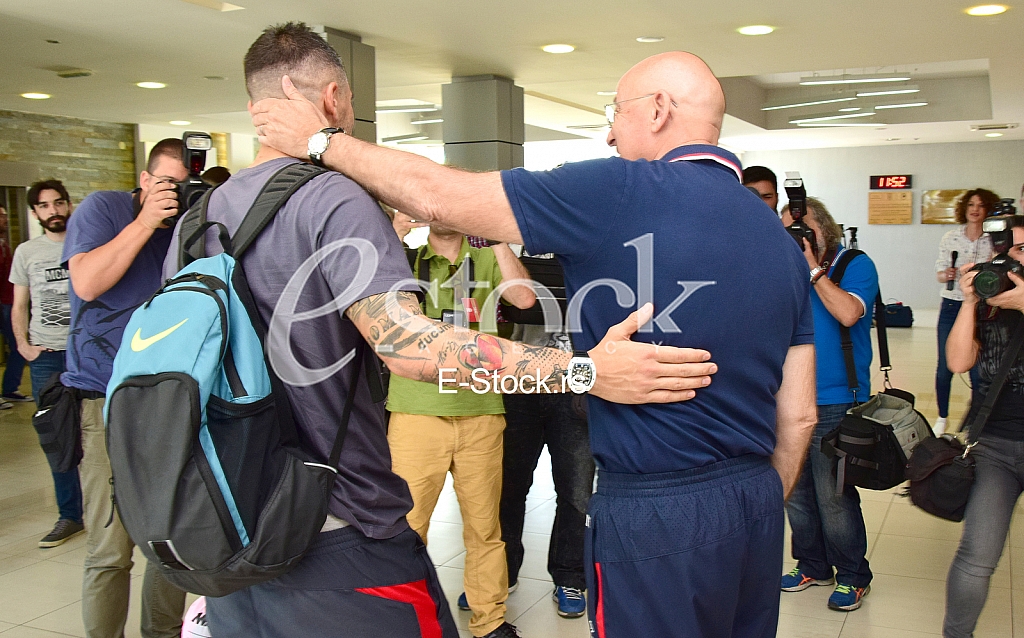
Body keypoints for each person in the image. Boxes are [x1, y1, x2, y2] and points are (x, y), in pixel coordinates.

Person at [253, 48, 818, 638]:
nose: (607, 134)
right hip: (754, 501)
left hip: (657, 507)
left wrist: (322, 142)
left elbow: (439, 198)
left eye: (615, 111)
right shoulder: (778, 239)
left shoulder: (621, 188)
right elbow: (800, 415)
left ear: (658, 110)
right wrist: (746, 506)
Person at [63, 140, 189, 638]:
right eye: (166, 184)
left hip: (167, 402)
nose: (175, 194)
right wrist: (145, 222)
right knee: (111, 549)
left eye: (183, 186)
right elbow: (88, 284)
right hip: (104, 398)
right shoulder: (105, 209)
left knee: (169, 542)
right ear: (143, 179)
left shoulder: (186, 228)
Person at [386, 223, 535, 638]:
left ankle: (490, 622)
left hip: (481, 411)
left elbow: (523, 298)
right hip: (416, 412)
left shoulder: (487, 256)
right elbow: (374, 295)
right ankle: (404, 620)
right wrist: (392, 230)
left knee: (486, 529)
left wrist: (495, 235)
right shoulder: (408, 257)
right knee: (407, 528)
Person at [778, 197, 878, 612]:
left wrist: (813, 269)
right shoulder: (781, 269)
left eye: (804, 229)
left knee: (834, 497)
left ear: (826, 230)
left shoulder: (855, 263)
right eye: (788, 231)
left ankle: (854, 575)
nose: (797, 237)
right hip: (788, 397)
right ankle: (813, 565)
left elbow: (850, 312)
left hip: (838, 399)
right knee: (796, 494)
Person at [942, 225, 1024, 637]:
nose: (1016, 259)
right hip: (994, 446)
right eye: (1010, 250)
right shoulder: (990, 307)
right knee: (976, 555)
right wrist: (971, 300)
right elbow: (958, 362)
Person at [499, 272, 595, 620]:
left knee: (577, 492)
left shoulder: (590, 240)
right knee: (507, 487)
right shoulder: (513, 240)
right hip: (519, 384)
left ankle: (569, 577)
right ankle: (499, 574)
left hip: (576, 388)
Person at [11, 179, 83, 547]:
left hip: (86, 354)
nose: (53, 211)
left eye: (58, 203)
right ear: (35, 212)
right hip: (47, 357)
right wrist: (23, 345)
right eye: (44, 206)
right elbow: (20, 304)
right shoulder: (27, 252)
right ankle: (70, 514)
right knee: (57, 438)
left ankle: (112, 510)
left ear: (68, 205)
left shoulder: (86, 241)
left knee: (100, 432)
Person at [934, 188, 998, 434]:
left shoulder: (994, 238)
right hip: (952, 305)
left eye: (981, 205)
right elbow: (939, 273)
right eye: (971, 204)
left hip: (983, 308)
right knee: (944, 366)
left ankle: (974, 420)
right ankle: (942, 416)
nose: (975, 209)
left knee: (978, 368)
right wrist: (947, 274)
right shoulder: (951, 237)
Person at [0, 204, 30, 406]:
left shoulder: (5, 244)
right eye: (1, 216)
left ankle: (10, 389)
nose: (6, 219)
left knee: (19, 346)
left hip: (9, 302)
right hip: (3, 303)